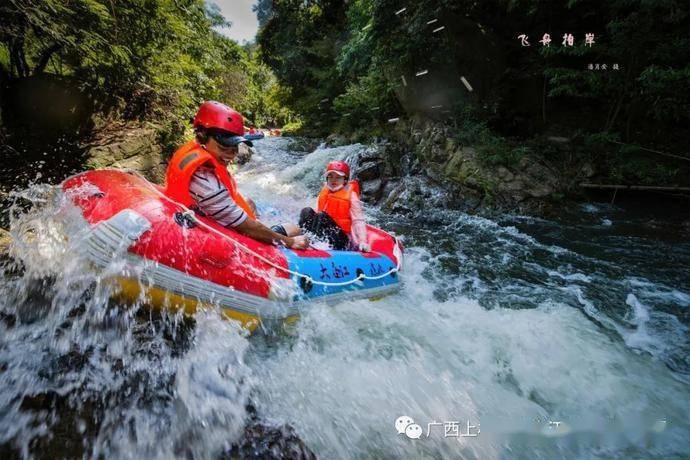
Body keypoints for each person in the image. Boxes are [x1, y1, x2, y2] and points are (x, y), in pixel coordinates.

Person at [164, 101, 308, 250]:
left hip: (217, 220)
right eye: (224, 146)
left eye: (234, 147)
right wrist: (290, 242)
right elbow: (246, 227)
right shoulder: (205, 182)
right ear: (202, 135)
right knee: (295, 231)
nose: (231, 154)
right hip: (233, 237)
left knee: (254, 205)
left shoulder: (193, 155)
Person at [284, 160, 370, 252]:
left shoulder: (352, 196)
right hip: (325, 234)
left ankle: (313, 244)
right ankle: (302, 238)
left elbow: (358, 221)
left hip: (341, 240)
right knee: (307, 211)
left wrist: (362, 241)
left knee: (321, 216)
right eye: (331, 177)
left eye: (338, 177)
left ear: (345, 179)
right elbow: (314, 214)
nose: (334, 180)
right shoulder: (325, 191)